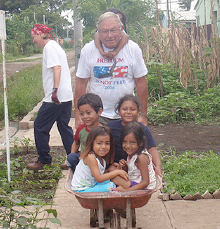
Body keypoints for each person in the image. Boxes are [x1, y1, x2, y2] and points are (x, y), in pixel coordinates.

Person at [74, 12, 148, 128]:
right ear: (98, 31)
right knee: (98, 146)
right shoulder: (88, 50)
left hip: (126, 115)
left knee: (128, 146)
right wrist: (78, 115)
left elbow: (141, 82)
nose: (109, 35)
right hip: (96, 115)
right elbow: (81, 83)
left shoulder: (133, 49)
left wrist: (143, 114)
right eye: (104, 31)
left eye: (113, 30)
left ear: (121, 29)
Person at [27, 24, 73, 170]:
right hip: (65, 95)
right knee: (64, 127)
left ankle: (44, 159)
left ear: (41, 35)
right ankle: (73, 158)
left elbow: (57, 68)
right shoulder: (56, 46)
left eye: (34, 37)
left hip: (56, 97)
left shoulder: (49, 48)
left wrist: (54, 91)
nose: (33, 41)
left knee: (40, 126)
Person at [107, 94, 162, 177]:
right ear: (119, 111)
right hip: (118, 165)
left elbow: (152, 149)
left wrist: (158, 166)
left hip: (137, 168)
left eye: (132, 109)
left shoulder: (143, 129)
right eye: (124, 109)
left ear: (138, 111)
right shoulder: (111, 127)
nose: (128, 112)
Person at [71, 126, 129, 192]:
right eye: (99, 143)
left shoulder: (102, 159)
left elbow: (100, 174)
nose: (103, 147)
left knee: (114, 178)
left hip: (92, 184)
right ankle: (125, 190)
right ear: (92, 143)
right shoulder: (90, 157)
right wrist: (117, 172)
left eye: (107, 143)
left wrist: (110, 170)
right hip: (82, 189)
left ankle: (129, 187)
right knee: (111, 185)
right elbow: (99, 178)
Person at [112, 122, 156, 191]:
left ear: (141, 142)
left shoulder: (141, 157)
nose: (128, 146)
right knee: (112, 169)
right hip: (135, 183)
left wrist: (127, 191)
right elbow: (132, 171)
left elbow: (145, 182)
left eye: (132, 142)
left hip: (144, 188)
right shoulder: (131, 155)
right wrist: (124, 166)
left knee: (114, 177)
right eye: (125, 142)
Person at [65, 93, 103, 170]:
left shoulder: (103, 131)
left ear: (99, 111)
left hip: (99, 160)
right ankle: (78, 172)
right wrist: (72, 154)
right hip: (83, 159)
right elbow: (76, 143)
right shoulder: (81, 129)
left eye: (88, 113)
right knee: (71, 158)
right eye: (82, 114)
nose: (85, 117)